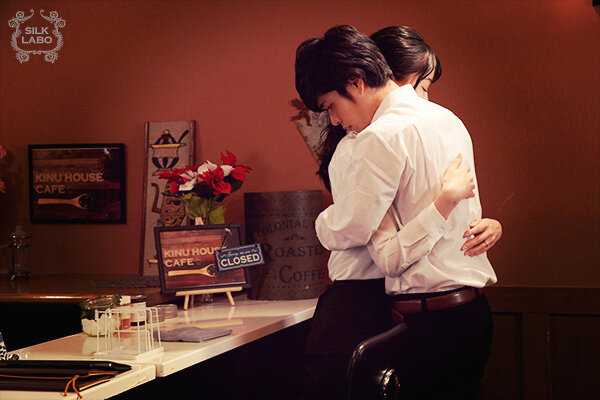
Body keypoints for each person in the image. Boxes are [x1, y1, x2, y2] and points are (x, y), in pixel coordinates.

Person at [296, 25, 497, 399]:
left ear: (356, 83)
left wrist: (322, 222)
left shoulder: (378, 137)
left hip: (428, 320)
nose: (334, 120)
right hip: (473, 312)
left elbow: (364, 235)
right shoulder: (449, 119)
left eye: (331, 107)